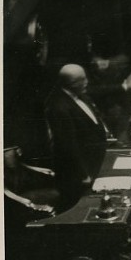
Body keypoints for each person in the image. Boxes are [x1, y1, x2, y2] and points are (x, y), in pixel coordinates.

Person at [45, 64, 112, 210]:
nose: (87, 81)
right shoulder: (59, 108)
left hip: (96, 164)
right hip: (79, 174)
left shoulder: (82, 96)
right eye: (83, 79)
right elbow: (68, 145)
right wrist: (83, 174)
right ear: (72, 84)